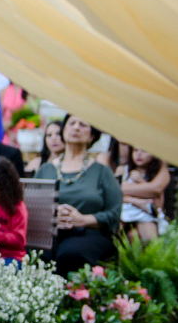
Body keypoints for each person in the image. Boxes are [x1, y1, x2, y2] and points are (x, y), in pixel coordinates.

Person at [35, 114, 122, 276]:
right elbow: (31, 208)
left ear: (92, 136)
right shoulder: (45, 169)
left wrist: (82, 220)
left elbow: (114, 213)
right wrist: (52, 214)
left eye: (83, 125)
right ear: (64, 130)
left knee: (70, 254)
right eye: (72, 123)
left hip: (89, 233)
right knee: (34, 253)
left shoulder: (102, 171)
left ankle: (74, 299)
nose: (76, 127)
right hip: (49, 233)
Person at [116, 146, 170, 241]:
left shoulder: (156, 175)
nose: (139, 154)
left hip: (145, 215)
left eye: (144, 151)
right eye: (135, 150)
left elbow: (158, 203)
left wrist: (140, 181)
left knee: (148, 238)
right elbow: (113, 193)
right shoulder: (123, 170)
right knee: (115, 232)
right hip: (123, 212)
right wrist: (135, 201)